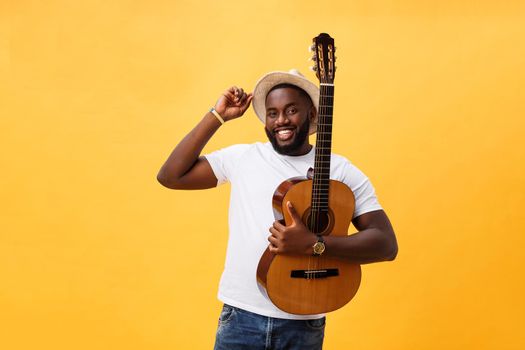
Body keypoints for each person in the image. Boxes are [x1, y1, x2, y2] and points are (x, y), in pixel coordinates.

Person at [157, 70, 398, 350]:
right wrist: (217, 116)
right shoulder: (243, 158)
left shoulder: (342, 171)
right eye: (272, 113)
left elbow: (385, 245)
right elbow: (170, 176)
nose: (281, 120)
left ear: (312, 114)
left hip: (304, 323)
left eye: (291, 110)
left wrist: (315, 244)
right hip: (240, 318)